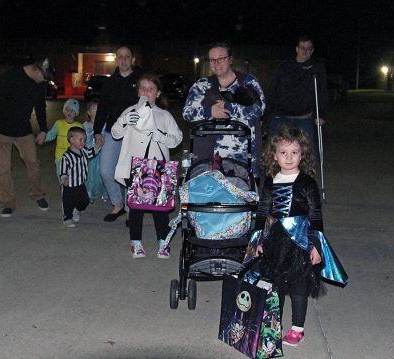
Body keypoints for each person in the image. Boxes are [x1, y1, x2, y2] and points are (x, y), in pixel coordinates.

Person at [246, 126, 346, 347]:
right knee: (275, 286)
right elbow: (262, 212)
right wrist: (258, 241)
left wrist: (315, 246)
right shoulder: (270, 182)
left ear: (302, 155)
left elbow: (316, 217)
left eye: (294, 152)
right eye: (283, 152)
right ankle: (275, 324)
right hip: (274, 242)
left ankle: (297, 328)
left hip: (300, 242)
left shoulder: (307, 183)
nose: (289, 157)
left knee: (299, 287)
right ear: (274, 155)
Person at [111, 73, 183, 258]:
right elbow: (116, 133)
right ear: (138, 92)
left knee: (161, 209)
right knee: (135, 209)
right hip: (133, 167)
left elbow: (177, 139)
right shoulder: (130, 111)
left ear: (158, 93)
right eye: (143, 88)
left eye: (151, 89)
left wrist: (160, 136)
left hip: (157, 167)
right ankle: (136, 243)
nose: (146, 92)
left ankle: (163, 242)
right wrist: (124, 121)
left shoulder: (164, 115)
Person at [183, 41, 265, 178]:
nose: (217, 63)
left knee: (244, 197)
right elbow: (187, 113)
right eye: (212, 60)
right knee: (211, 196)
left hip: (244, 156)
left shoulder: (248, 82)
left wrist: (228, 107)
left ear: (230, 59)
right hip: (209, 157)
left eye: (221, 58)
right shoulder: (202, 85)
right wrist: (209, 111)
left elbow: (259, 109)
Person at [0, 58, 54, 218]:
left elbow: (40, 106)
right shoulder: (10, 76)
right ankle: (8, 203)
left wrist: (43, 129)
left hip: (24, 131)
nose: (44, 81)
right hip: (2, 131)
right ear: (36, 70)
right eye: (44, 77)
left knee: (33, 164)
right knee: (3, 169)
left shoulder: (39, 83)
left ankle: (38, 195)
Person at [94, 46, 141, 222]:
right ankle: (117, 204)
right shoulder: (109, 82)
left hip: (134, 135)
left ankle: (131, 209)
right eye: (120, 57)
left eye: (127, 57)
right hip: (111, 132)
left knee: (130, 173)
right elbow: (102, 108)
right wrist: (97, 132)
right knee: (106, 170)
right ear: (116, 59)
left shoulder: (141, 80)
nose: (123, 60)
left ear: (133, 59)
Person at [266, 35, 329, 146]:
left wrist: (321, 114)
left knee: (306, 152)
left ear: (312, 51)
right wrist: (265, 112)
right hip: (281, 117)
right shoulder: (285, 66)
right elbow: (272, 89)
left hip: (304, 118)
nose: (305, 51)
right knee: (275, 149)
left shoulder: (316, 68)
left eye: (308, 48)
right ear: (297, 49)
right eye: (302, 48)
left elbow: (321, 92)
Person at [60, 127, 101, 228]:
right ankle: (67, 217)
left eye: (84, 140)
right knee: (68, 202)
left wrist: (98, 147)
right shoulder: (66, 156)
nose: (83, 142)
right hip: (69, 185)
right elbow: (63, 170)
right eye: (80, 139)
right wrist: (64, 178)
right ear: (72, 140)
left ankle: (77, 210)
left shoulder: (83, 151)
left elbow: (91, 153)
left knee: (85, 200)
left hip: (81, 183)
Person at [44, 99, 83, 182]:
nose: (69, 112)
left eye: (72, 110)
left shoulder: (80, 126)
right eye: (67, 109)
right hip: (60, 157)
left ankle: (72, 192)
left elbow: (83, 141)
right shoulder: (58, 123)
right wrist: (43, 138)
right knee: (61, 176)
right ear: (64, 111)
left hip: (74, 157)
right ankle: (64, 191)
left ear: (76, 113)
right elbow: (51, 134)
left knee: (73, 177)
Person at [83, 99, 108, 202]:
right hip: (90, 155)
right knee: (91, 175)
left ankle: (104, 192)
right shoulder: (85, 125)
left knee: (103, 173)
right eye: (93, 110)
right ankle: (90, 193)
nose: (96, 112)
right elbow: (82, 139)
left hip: (102, 154)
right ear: (89, 112)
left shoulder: (105, 125)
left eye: (98, 110)